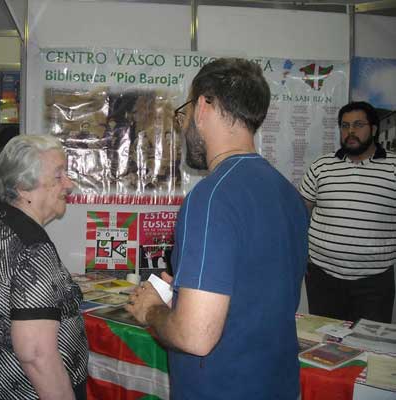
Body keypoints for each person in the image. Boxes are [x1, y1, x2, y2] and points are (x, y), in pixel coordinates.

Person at [126, 58, 309, 399]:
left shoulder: (212, 197)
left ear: (204, 106)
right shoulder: (287, 192)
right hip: (278, 385)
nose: (183, 127)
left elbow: (197, 336)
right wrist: (183, 292)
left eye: (186, 110)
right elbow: (253, 292)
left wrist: (151, 309)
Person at [0, 135, 88, 399]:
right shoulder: (32, 247)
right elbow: (37, 355)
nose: (69, 184)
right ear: (23, 187)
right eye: (58, 175)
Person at [299, 101, 396, 323]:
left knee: (367, 349)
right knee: (322, 347)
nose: (350, 131)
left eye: (358, 125)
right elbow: (301, 213)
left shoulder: (393, 167)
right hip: (322, 278)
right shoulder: (321, 166)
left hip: (373, 283)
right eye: (344, 126)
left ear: (373, 129)